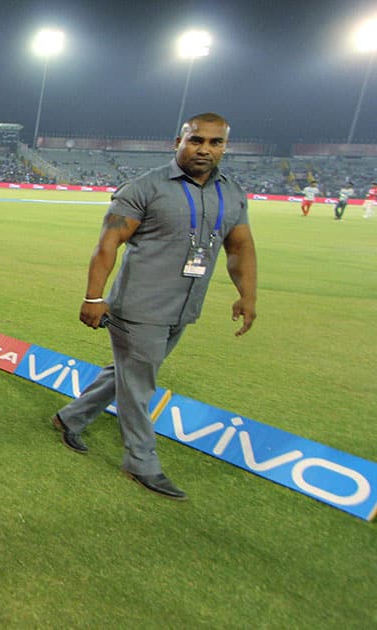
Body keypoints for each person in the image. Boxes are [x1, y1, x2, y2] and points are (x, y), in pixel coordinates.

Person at [49, 112, 257, 501]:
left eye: (215, 142)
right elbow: (108, 243)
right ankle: (141, 462)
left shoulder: (231, 193)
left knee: (126, 374)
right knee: (140, 385)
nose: (205, 149)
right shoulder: (146, 187)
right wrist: (94, 297)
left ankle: (69, 418)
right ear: (177, 141)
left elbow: (240, 246)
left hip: (183, 308)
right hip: (138, 308)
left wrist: (248, 295)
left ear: (225, 146)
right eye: (196, 140)